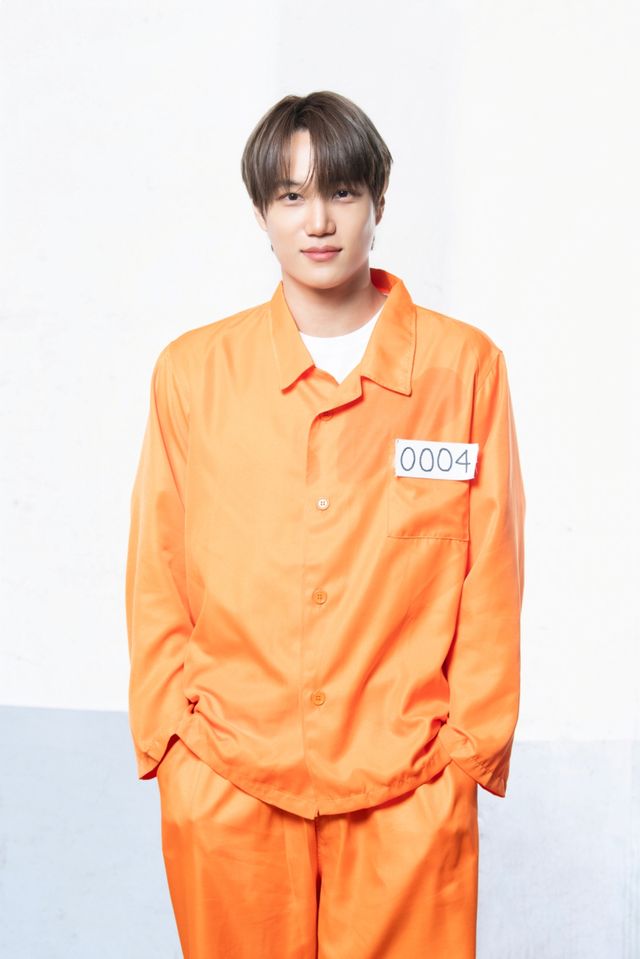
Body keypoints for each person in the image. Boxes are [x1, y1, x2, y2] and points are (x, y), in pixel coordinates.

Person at [125, 90, 525, 959]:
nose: (318, 221)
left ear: (378, 200)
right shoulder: (194, 373)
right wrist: (172, 744)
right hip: (229, 778)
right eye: (291, 195)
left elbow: (491, 574)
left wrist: (465, 757)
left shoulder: (462, 369)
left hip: (408, 787)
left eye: (341, 191)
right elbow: (158, 565)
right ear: (261, 212)